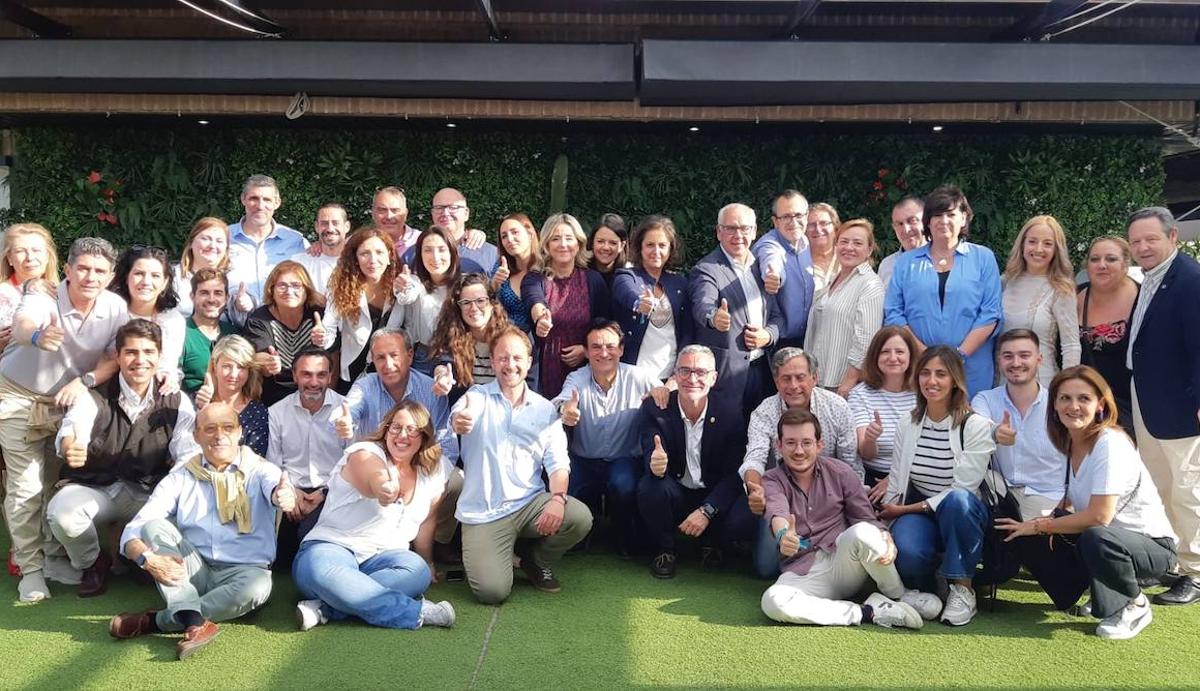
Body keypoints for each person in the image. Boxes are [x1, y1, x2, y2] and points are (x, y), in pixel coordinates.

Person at [997, 366, 1177, 640]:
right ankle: (1095, 591)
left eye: (1084, 399)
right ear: (1054, 405)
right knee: (1021, 533)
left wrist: (1042, 525)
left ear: (1100, 405)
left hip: (1150, 547)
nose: (1074, 406)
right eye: (1065, 398)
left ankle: (1134, 603)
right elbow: (1070, 500)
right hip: (1103, 542)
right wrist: (1033, 527)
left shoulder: (1110, 443)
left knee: (1094, 536)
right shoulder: (1071, 442)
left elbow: (1099, 517)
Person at [108, 402, 295, 660]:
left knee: (258, 587)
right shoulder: (181, 476)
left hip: (243, 572)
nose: (219, 435)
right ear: (196, 436)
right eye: (210, 429)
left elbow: (277, 489)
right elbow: (135, 530)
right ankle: (195, 621)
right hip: (192, 569)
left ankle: (160, 621)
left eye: (228, 428)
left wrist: (282, 495)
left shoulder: (261, 469)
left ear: (240, 432)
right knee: (154, 527)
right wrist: (147, 559)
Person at [0, 237, 127, 602]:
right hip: (18, 395)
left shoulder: (115, 307)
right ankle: (31, 571)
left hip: (67, 401)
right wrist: (38, 335)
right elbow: (24, 324)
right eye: (83, 268)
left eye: (99, 271)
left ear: (110, 275)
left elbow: (113, 358)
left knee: (56, 483)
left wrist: (84, 381)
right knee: (26, 487)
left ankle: (54, 558)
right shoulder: (45, 295)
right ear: (67, 269)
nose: (90, 277)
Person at [46, 320, 199, 597]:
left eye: (148, 352)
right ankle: (94, 561)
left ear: (159, 356)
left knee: (185, 519)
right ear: (117, 356)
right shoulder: (93, 398)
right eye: (131, 352)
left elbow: (187, 454)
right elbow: (71, 431)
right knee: (63, 515)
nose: (140, 360)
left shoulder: (177, 400)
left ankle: (135, 558)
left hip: (147, 492)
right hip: (97, 489)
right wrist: (71, 446)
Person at [450, 327, 593, 603]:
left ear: (529, 362)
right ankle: (499, 557)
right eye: (503, 358)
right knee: (492, 592)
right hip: (484, 512)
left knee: (579, 517)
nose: (510, 365)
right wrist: (461, 420)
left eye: (517, 358)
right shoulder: (476, 397)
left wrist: (558, 499)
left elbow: (558, 463)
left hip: (529, 506)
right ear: (492, 362)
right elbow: (461, 414)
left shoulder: (544, 409)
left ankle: (534, 560)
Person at [759, 408, 937, 629]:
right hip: (803, 571)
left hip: (843, 561)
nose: (799, 450)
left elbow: (866, 518)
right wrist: (784, 535)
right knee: (773, 601)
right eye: (790, 443)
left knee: (863, 532)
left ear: (819, 444)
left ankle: (898, 596)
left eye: (806, 442)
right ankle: (868, 611)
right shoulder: (771, 480)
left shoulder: (840, 472)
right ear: (779, 445)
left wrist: (884, 537)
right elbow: (778, 512)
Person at [292, 400, 455, 631]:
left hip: (383, 559)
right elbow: (373, 476)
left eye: (412, 430)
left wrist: (428, 561)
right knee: (321, 571)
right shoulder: (365, 452)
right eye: (396, 427)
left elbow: (428, 520)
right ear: (386, 429)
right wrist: (383, 488)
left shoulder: (434, 468)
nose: (402, 435)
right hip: (331, 548)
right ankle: (415, 612)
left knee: (417, 572)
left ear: (424, 436)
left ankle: (326, 607)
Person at [879, 346, 995, 626]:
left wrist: (904, 509)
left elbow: (964, 488)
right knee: (908, 554)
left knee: (957, 501)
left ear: (955, 379)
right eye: (926, 373)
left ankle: (963, 588)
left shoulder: (975, 425)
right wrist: (886, 520)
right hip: (923, 512)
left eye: (941, 374)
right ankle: (938, 581)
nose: (932, 381)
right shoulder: (908, 422)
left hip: (965, 512)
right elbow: (897, 477)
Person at [1125, 206, 1200, 605]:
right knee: (1161, 487)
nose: (1143, 247)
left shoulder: (1190, 279)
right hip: (1149, 396)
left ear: (1173, 237)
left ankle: (1197, 572)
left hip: (1181, 404)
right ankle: (1173, 562)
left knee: (1188, 488)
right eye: (1136, 241)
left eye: (1151, 239)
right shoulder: (1151, 278)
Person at [338, 328, 461, 561]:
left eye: (394, 355)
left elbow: (448, 443)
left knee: (455, 480)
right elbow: (348, 411)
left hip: (421, 465)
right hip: (377, 470)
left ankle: (437, 541)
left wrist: (424, 475)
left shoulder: (430, 389)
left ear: (410, 355)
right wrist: (344, 423)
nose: (388, 364)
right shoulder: (365, 386)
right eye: (380, 358)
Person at [739, 347, 861, 578]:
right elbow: (754, 457)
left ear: (815, 378)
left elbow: (851, 463)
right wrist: (754, 489)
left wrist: (853, 503)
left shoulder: (837, 407)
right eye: (786, 378)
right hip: (783, 499)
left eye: (800, 377)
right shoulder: (764, 412)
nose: (793, 386)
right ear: (776, 381)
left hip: (832, 500)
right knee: (766, 569)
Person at [636, 345, 756, 578]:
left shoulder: (731, 412)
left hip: (712, 492)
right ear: (675, 375)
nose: (692, 379)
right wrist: (656, 465)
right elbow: (652, 449)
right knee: (650, 487)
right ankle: (666, 549)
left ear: (713, 378)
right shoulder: (656, 407)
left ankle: (714, 544)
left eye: (700, 372)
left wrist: (707, 510)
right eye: (684, 371)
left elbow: (734, 473)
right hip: (676, 490)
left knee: (745, 514)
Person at [552, 319, 662, 554]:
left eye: (611, 346)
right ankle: (583, 532)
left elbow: (666, 391)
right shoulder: (577, 379)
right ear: (587, 351)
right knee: (568, 492)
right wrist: (565, 411)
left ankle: (623, 533)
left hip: (624, 459)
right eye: (596, 347)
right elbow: (560, 401)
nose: (604, 353)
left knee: (624, 485)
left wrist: (664, 390)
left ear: (621, 349)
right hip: (584, 460)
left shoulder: (639, 376)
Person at [884, 185, 1003, 397]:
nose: (943, 220)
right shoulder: (906, 263)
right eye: (937, 215)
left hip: (971, 368)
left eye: (951, 214)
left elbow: (990, 313)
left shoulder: (983, 258)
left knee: (970, 425)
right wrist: (923, 353)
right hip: (920, 365)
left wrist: (959, 355)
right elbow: (894, 312)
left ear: (964, 218)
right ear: (928, 221)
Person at [689, 203, 783, 419]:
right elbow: (703, 303)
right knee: (731, 442)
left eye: (745, 228)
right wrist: (713, 317)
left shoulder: (762, 268)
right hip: (728, 375)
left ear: (754, 231)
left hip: (763, 370)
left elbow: (778, 316)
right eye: (730, 228)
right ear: (718, 232)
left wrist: (768, 335)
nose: (738, 235)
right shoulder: (706, 269)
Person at [970, 329, 1066, 520]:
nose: (1016, 363)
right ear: (999, 361)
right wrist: (996, 432)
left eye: (1024, 356)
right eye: (1008, 356)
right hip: (1000, 495)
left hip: (1048, 497)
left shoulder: (1059, 404)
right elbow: (977, 427)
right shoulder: (985, 400)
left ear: (1039, 360)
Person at [267, 348, 349, 568]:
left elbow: (352, 464)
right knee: (279, 558)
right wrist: (290, 492)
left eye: (321, 374)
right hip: (291, 494)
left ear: (330, 377)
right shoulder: (277, 412)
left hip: (331, 494)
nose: (314, 382)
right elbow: (273, 464)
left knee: (309, 541)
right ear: (294, 376)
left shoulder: (347, 410)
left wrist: (324, 493)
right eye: (306, 374)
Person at [523, 212, 612, 398]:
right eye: (555, 239)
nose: (563, 244)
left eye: (569, 238)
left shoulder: (592, 279)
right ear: (546, 244)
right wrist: (541, 319)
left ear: (578, 243)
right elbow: (535, 301)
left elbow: (606, 323)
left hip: (585, 370)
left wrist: (586, 350)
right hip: (544, 369)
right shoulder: (535, 278)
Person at [803, 218, 885, 397]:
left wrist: (849, 381)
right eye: (844, 242)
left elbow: (866, 337)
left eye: (857, 243)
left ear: (869, 250)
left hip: (842, 385)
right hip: (819, 380)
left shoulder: (869, 284)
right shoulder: (835, 280)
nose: (849, 247)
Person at [1001, 215, 1081, 386]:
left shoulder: (1061, 289)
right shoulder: (1004, 283)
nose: (1038, 249)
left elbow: (1071, 345)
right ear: (1022, 244)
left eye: (1047, 243)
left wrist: (1067, 387)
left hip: (1042, 385)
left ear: (1056, 250)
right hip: (1001, 384)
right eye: (1032, 241)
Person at [612, 215, 691, 380]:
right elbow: (625, 291)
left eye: (662, 245)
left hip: (670, 376)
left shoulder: (680, 283)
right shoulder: (627, 276)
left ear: (670, 249)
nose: (656, 251)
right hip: (633, 375)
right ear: (640, 247)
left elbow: (687, 331)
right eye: (649, 245)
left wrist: (680, 373)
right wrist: (638, 303)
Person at [319, 228, 398, 391]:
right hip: (353, 373)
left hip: (392, 371)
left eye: (379, 252)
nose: (372, 260)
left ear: (390, 256)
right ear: (355, 259)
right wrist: (322, 337)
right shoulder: (342, 288)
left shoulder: (402, 287)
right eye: (364, 253)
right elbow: (328, 326)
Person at [226, 175, 309, 324]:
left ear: (277, 203)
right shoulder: (223, 238)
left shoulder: (296, 241)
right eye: (254, 198)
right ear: (243, 199)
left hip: (283, 331)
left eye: (267, 200)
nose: (260, 205)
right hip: (232, 329)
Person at [1076, 235, 1139, 431]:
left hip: (1135, 411)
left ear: (1125, 263)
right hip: (1084, 409)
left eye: (1111, 259)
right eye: (1095, 259)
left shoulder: (1145, 300)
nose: (1101, 265)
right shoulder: (1074, 297)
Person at [243, 260, 325, 406]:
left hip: (316, 392)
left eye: (296, 286)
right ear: (271, 290)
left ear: (306, 290)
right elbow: (259, 357)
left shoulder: (318, 314)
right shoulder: (259, 319)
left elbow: (334, 357)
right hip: (275, 397)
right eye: (282, 286)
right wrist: (268, 363)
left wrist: (326, 339)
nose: (289, 291)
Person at [848, 326, 919, 491]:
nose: (893, 358)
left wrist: (895, 478)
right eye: (885, 352)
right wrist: (871, 438)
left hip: (915, 477)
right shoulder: (860, 394)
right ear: (875, 356)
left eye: (900, 352)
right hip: (872, 476)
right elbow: (866, 453)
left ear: (910, 356)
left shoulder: (922, 393)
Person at [390, 226, 466, 375]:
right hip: (424, 357)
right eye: (428, 250)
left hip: (461, 354)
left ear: (452, 252)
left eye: (441, 249)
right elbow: (407, 295)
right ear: (420, 255)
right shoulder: (415, 282)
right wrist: (402, 287)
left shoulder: (464, 284)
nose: (435, 257)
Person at [111, 245, 186, 390]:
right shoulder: (110, 311)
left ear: (165, 282)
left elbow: (167, 365)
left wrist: (168, 376)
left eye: (155, 276)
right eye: (139, 273)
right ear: (127, 278)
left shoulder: (173, 321)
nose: (146, 282)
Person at [429, 272, 511, 397]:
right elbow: (443, 364)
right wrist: (442, 377)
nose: (473, 308)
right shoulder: (451, 337)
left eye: (481, 301)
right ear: (458, 308)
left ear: (492, 304)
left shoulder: (511, 338)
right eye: (466, 302)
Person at [752, 189, 814, 349]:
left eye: (799, 215)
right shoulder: (769, 244)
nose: (793, 222)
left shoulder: (805, 242)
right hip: (778, 343)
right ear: (775, 221)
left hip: (808, 341)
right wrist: (773, 277)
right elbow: (771, 261)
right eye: (786, 217)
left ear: (807, 217)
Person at [196, 335, 269, 458]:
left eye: (241, 367)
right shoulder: (196, 401)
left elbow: (255, 458)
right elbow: (186, 450)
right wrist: (202, 410)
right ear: (214, 367)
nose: (233, 374)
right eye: (227, 366)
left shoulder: (257, 411)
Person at [0, 222, 59, 353]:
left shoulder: (64, 294)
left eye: (36, 250)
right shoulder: (2, 293)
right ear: (9, 258)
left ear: (48, 255)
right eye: (20, 251)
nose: (30, 258)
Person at [403, 188, 493, 273]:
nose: (445, 213)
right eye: (439, 208)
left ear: (466, 213)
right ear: (432, 213)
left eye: (453, 207)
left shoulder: (490, 254)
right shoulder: (412, 255)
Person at [180, 269, 236, 396]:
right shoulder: (179, 332)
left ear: (227, 298)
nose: (211, 299)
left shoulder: (233, 334)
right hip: (189, 406)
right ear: (192, 296)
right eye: (204, 293)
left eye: (218, 293)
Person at [492, 213, 540, 334]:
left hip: (546, 340)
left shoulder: (547, 265)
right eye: (504, 236)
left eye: (515, 232)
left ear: (529, 234)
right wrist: (494, 284)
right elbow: (489, 304)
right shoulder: (501, 266)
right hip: (511, 341)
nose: (510, 239)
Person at [172, 217, 229, 318]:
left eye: (219, 241)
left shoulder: (232, 279)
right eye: (205, 239)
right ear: (191, 243)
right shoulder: (172, 276)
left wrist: (240, 308)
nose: (212, 245)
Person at [291, 202, 349, 301]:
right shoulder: (299, 262)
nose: (330, 228)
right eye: (324, 223)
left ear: (347, 226)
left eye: (335, 223)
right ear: (317, 227)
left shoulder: (358, 261)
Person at [878, 196, 926, 295]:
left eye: (912, 221)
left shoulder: (944, 259)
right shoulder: (887, 266)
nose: (906, 229)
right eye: (899, 224)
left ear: (926, 221)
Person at [371, 186, 420, 259]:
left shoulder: (421, 241)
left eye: (395, 210)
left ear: (405, 214)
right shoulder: (358, 242)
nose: (389, 216)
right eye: (382, 210)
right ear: (373, 213)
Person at [805, 203, 841, 294]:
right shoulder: (797, 263)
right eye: (811, 225)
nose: (818, 229)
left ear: (835, 228)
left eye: (824, 223)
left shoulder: (849, 258)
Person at [586, 213, 629, 288]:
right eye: (600, 241)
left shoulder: (629, 276)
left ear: (622, 245)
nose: (606, 247)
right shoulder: (580, 273)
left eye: (613, 243)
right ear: (592, 242)